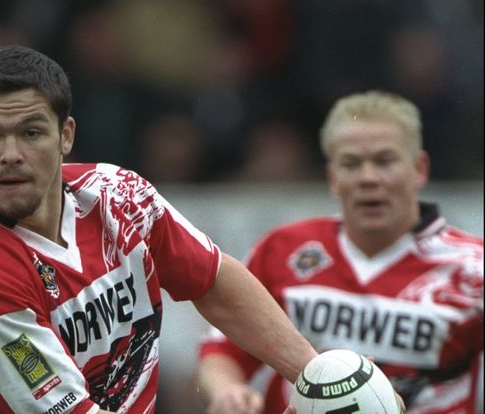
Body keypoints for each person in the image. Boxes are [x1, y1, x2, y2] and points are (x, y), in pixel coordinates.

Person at [0, 44, 319, 414]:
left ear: (65, 136)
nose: (10, 154)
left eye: (31, 133)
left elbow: (213, 282)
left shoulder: (116, 192)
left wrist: (317, 377)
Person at [196, 90, 483, 414]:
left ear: (419, 169)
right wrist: (229, 392)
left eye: (384, 161)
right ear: (333, 178)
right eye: (351, 163)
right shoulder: (283, 249)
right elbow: (222, 351)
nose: (368, 178)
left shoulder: (473, 267)